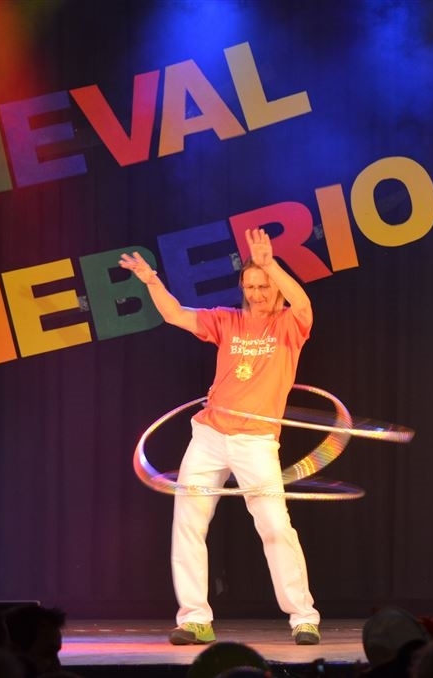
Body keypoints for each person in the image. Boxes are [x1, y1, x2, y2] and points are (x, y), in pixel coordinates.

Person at [119, 228, 321, 647]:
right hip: (210, 434)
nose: (257, 293)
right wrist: (152, 281)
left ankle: (303, 617)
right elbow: (176, 314)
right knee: (188, 522)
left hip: (256, 441)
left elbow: (302, 302)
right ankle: (195, 618)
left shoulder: (289, 325)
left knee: (275, 526)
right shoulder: (227, 320)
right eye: (250, 286)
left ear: (275, 285)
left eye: (264, 285)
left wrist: (269, 264)